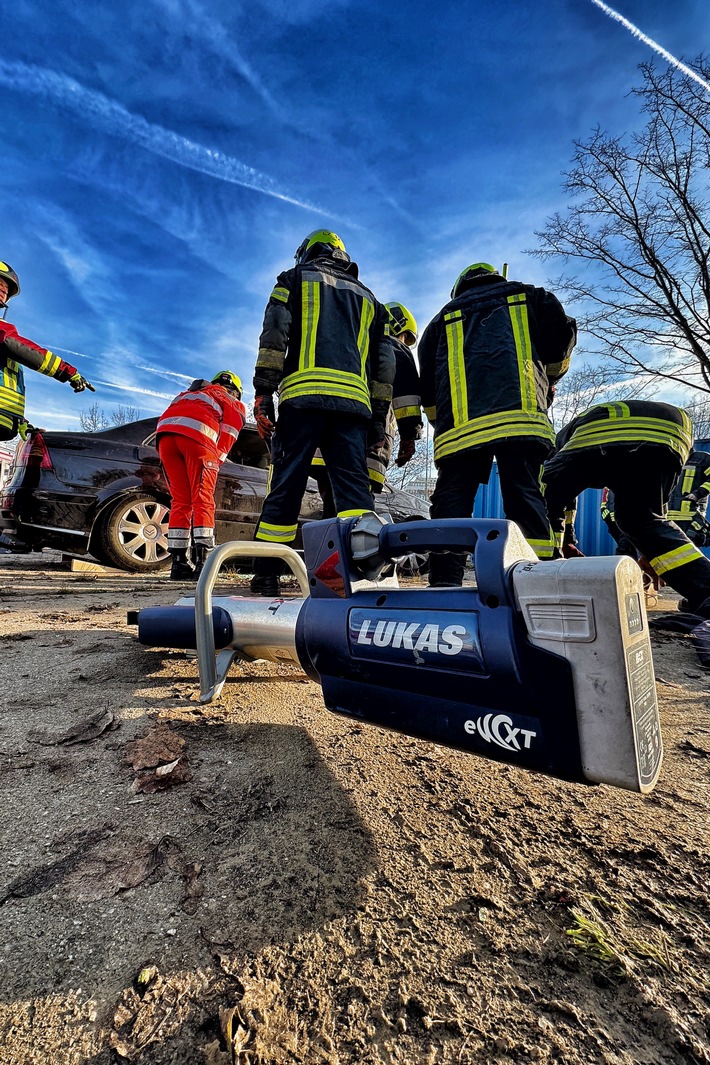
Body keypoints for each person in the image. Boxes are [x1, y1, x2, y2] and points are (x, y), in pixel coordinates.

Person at [250, 229, 394, 596]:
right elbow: (384, 364)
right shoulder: (371, 299)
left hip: (303, 400)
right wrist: (378, 419)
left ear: (307, 253)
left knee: (286, 488)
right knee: (353, 496)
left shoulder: (294, 279)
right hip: (353, 410)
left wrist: (264, 391)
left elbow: (275, 332)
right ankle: (359, 577)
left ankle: (267, 576)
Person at [417, 261, 576, 586]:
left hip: (462, 432)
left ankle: (444, 586)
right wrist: (551, 375)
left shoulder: (440, 322)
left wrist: (440, 426)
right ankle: (539, 581)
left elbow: (429, 392)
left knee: (452, 503)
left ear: (459, 287)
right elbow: (563, 334)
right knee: (525, 496)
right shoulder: (531, 297)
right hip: (522, 422)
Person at [543, 400, 710, 617]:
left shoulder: (557, 449)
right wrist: (651, 553)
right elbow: (658, 508)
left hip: (606, 433)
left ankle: (541, 583)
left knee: (540, 495)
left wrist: (565, 544)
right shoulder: (580, 445)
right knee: (642, 520)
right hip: (675, 433)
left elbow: (555, 500)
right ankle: (705, 592)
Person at [310, 300, 423, 513]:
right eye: (405, 337)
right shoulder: (393, 347)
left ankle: (329, 545)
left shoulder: (351, 344)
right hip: (367, 444)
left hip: (326, 442)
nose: (404, 342)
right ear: (398, 326)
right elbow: (406, 396)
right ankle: (348, 546)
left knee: (331, 507)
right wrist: (409, 436)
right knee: (357, 511)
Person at [156, 371, 245, 580]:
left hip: (165, 438)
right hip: (198, 439)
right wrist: (218, 458)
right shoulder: (228, 399)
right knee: (202, 499)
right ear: (236, 392)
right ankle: (202, 563)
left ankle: (178, 564)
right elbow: (231, 430)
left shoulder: (189, 394)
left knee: (180, 501)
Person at [0, 261, 94, 441]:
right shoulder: (3, 333)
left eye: (6, 287)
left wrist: (19, 420)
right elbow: (15, 344)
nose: (3, 290)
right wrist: (68, 371)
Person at [665, 448, 710, 546]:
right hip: (665, 520)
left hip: (689, 519)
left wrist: (698, 494)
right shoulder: (667, 459)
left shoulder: (702, 459)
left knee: (686, 555)